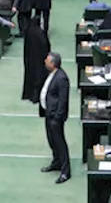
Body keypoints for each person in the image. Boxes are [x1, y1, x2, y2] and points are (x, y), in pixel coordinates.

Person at [39, 53, 71, 183]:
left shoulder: (61, 78)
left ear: (53, 64)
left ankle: (65, 171)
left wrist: (57, 117)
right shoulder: (52, 74)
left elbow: (63, 100)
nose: (44, 62)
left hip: (55, 117)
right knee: (52, 141)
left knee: (59, 142)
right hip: (49, 114)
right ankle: (56, 162)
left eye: (47, 60)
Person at [21, 20, 51, 103]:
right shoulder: (41, 33)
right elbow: (46, 45)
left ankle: (28, 95)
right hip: (40, 60)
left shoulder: (29, 31)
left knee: (30, 76)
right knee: (39, 77)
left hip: (30, 59)